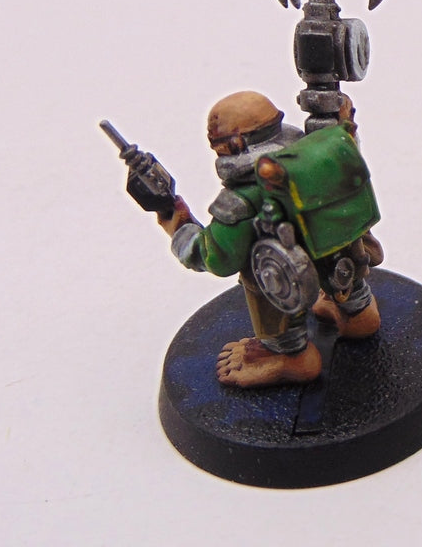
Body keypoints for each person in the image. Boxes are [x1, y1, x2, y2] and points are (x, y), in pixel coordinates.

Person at [156, 90, 381, 387]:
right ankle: (358, 311)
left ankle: (289, 354)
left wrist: (179, 225)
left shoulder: (239, 201)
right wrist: (344, 125)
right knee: (341, 255)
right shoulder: (324, 153)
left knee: (260, 270)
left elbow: (217, 258)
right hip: (342, 261)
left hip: (288, 282)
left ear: (234, 145)